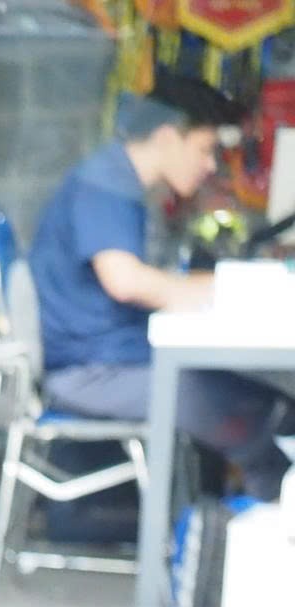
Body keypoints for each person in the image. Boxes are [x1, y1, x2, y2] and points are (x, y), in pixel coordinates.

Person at [28, 74, 290, 501]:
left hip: (118, 356)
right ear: (168, 137)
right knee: (252, 413)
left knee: (260, 401)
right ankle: (262, 513)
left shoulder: (119, 182)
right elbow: (125, 281)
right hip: (93, 370)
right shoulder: (105, 184)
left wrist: (220, 286)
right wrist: (226, 292)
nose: (211, 165)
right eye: (204, 149)